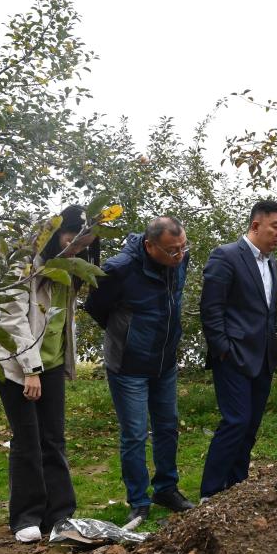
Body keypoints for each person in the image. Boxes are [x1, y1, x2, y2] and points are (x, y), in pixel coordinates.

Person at [0, 205, 98, 543]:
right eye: (72, 241)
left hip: (50, 365)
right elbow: (11, 319)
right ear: (56, 234)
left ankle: (60, 514)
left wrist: (51, 366)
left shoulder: (71, 270)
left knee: (53, 438)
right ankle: (26, 516)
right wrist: (30, 370)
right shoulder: (24, 266)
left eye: (83, 246)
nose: (76, 249)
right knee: (28, 439)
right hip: (16, 365)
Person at [83, 216, 194, 524]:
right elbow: (96, 307)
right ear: (149, 246)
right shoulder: (119, 269)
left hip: (165, 361)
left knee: (167, 426)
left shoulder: (180, 260)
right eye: (172, 250)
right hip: (128, 364)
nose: (179, 255)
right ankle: (138, 500)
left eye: (183, 247)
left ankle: (166, 489)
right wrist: (128, 335)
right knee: (134, 433)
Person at [198, 200, 277, 499]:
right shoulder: (225, 256)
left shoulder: (271, 263)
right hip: (233, 356)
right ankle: (211, 492)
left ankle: (237, 489)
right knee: (235, 421)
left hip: (263, 358)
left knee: (250, 426)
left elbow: (267, 311)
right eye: (276, 226)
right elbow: (211, 309)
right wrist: (223, 350)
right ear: (255, 225)